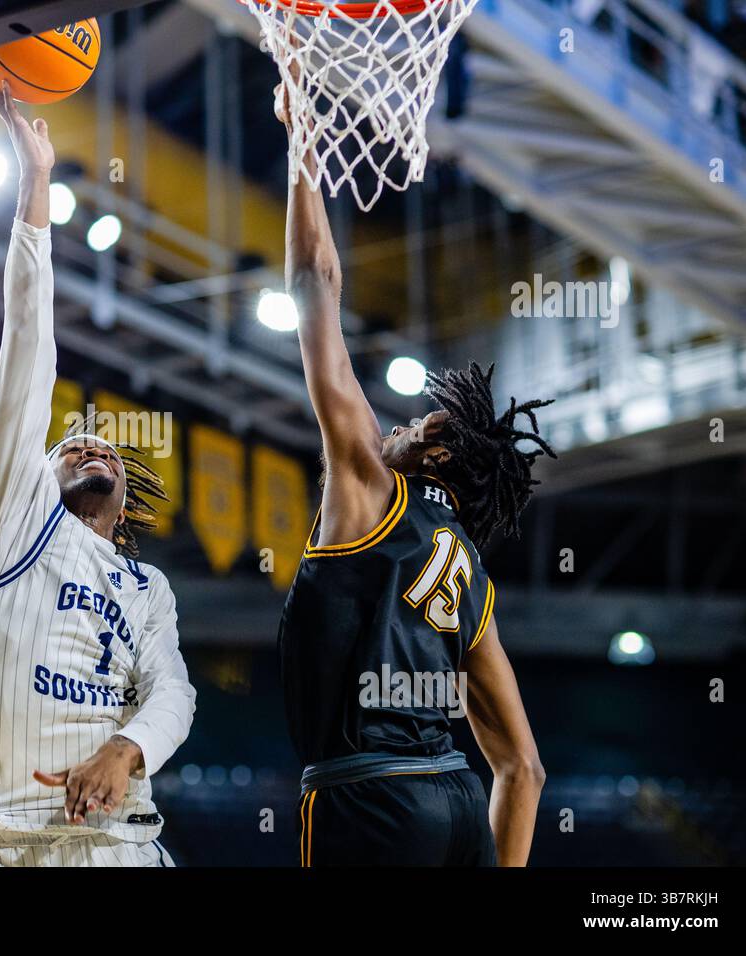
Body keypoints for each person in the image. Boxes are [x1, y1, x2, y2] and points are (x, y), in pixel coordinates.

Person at [273, 79, 549, 867]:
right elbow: (522, 769)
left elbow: (315, 287)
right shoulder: (469, 576)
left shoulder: (369, 484)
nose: (391, 427)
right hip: (458, 800)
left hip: (369, 796)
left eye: (415, 427)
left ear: (435, 457)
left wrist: (302, 148)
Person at [0, 78, 195, 867]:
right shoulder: (14, 520)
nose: (89, 442)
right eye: (69, 441)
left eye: (108, 446)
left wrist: (126, 751)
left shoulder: (149, 590)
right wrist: (36, 184)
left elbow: (172, 691)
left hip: (112, 843)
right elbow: (27, 355)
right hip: (2, 846)